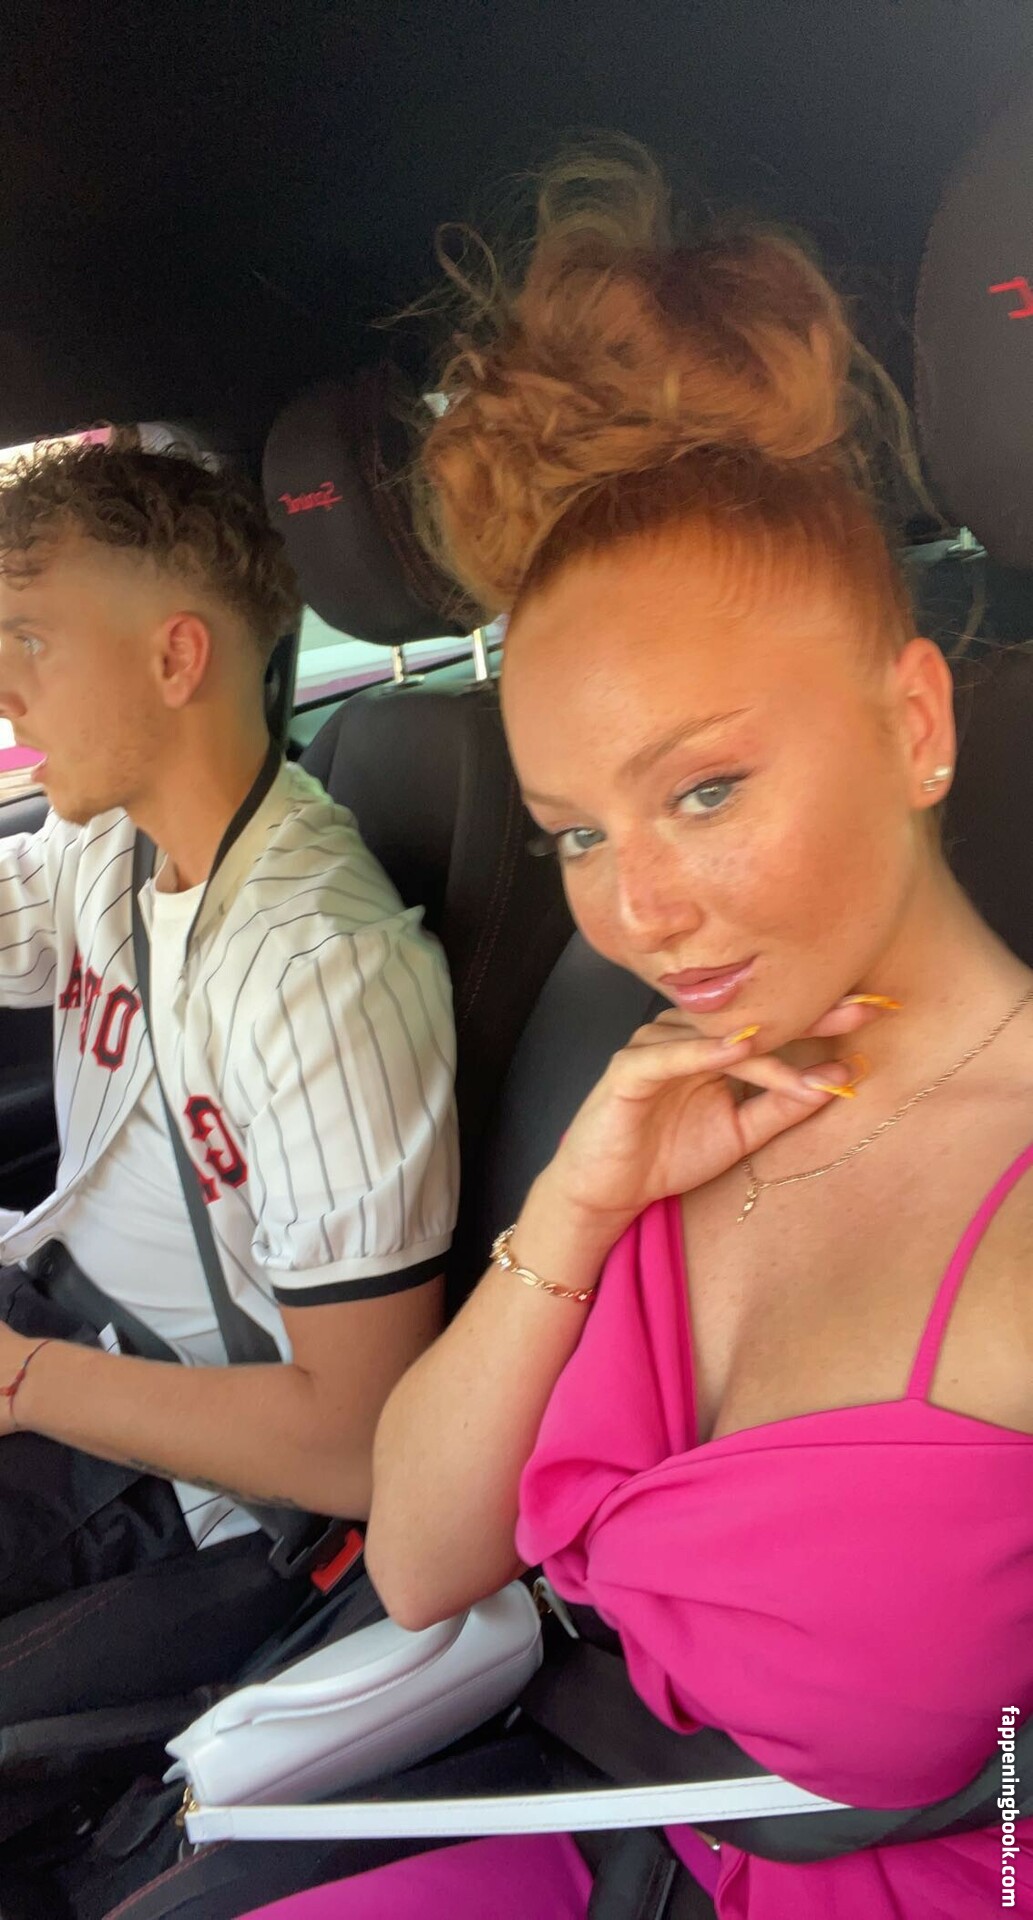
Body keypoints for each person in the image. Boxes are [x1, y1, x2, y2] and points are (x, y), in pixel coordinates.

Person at [237, 145, 1033, 1919]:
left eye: (705, 790)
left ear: (914, 722)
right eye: (576, 835)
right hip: (634, 1835)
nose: (634, 915)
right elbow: (424, 1559)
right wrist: (580, 1208)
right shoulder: (672, 1095)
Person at [0, 434, 457, 1624]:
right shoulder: (105, 841)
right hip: (43, 1308)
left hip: (168, 1456)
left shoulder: (321, 970)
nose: (4, 690)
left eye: (31, 642)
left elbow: (354, 1443)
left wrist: (25, 1380)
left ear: (175, 657)